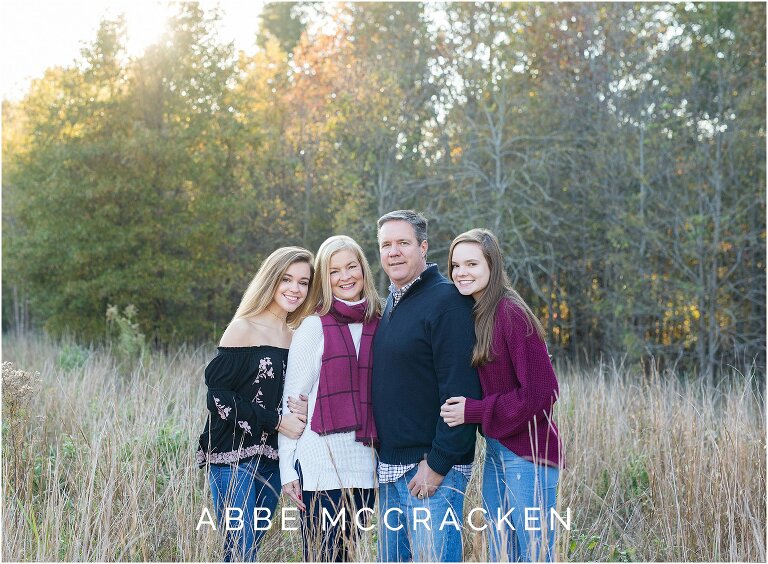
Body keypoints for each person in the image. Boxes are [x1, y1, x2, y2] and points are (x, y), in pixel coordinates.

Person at [440, 228, 563, 562]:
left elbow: (542, 393)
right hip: (498, 450)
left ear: (492, 266)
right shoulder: (478, 314)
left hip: (528, 455)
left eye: (471, 264)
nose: (461, 272)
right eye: (455, 265)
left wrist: (474, 411)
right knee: (500, 553)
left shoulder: (510, 313)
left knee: (534, 555)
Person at [372, 210, 482, 562]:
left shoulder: (447, 301)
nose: (394, 252)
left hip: (430, 470)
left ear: (423, 247)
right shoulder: (393, 300)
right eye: (386, 245)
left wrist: (437, 464)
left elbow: (463, 392)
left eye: (403, 243)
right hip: (391, 469)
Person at [196, 246, 315, 562]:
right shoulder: (244, 327)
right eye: (287, 279)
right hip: (233, 456)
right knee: (240, 549)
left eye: (303, 282)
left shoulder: (297, 335)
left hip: (273, 459)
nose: (295, 289)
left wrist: (305, 408)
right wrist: (277, 422)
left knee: (251, 547)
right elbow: (218, 398)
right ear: (271, 280)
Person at [279, 235, 381, 562]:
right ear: (325, 278)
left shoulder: (381, 322)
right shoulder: (313, 327)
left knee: (348, 556)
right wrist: (287, 469)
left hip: (365, 465)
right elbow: (292, 401)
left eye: (352, 266)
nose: (345, 276)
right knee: (323, 556)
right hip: (320, 465)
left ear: (364, 271)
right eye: (334, 271)